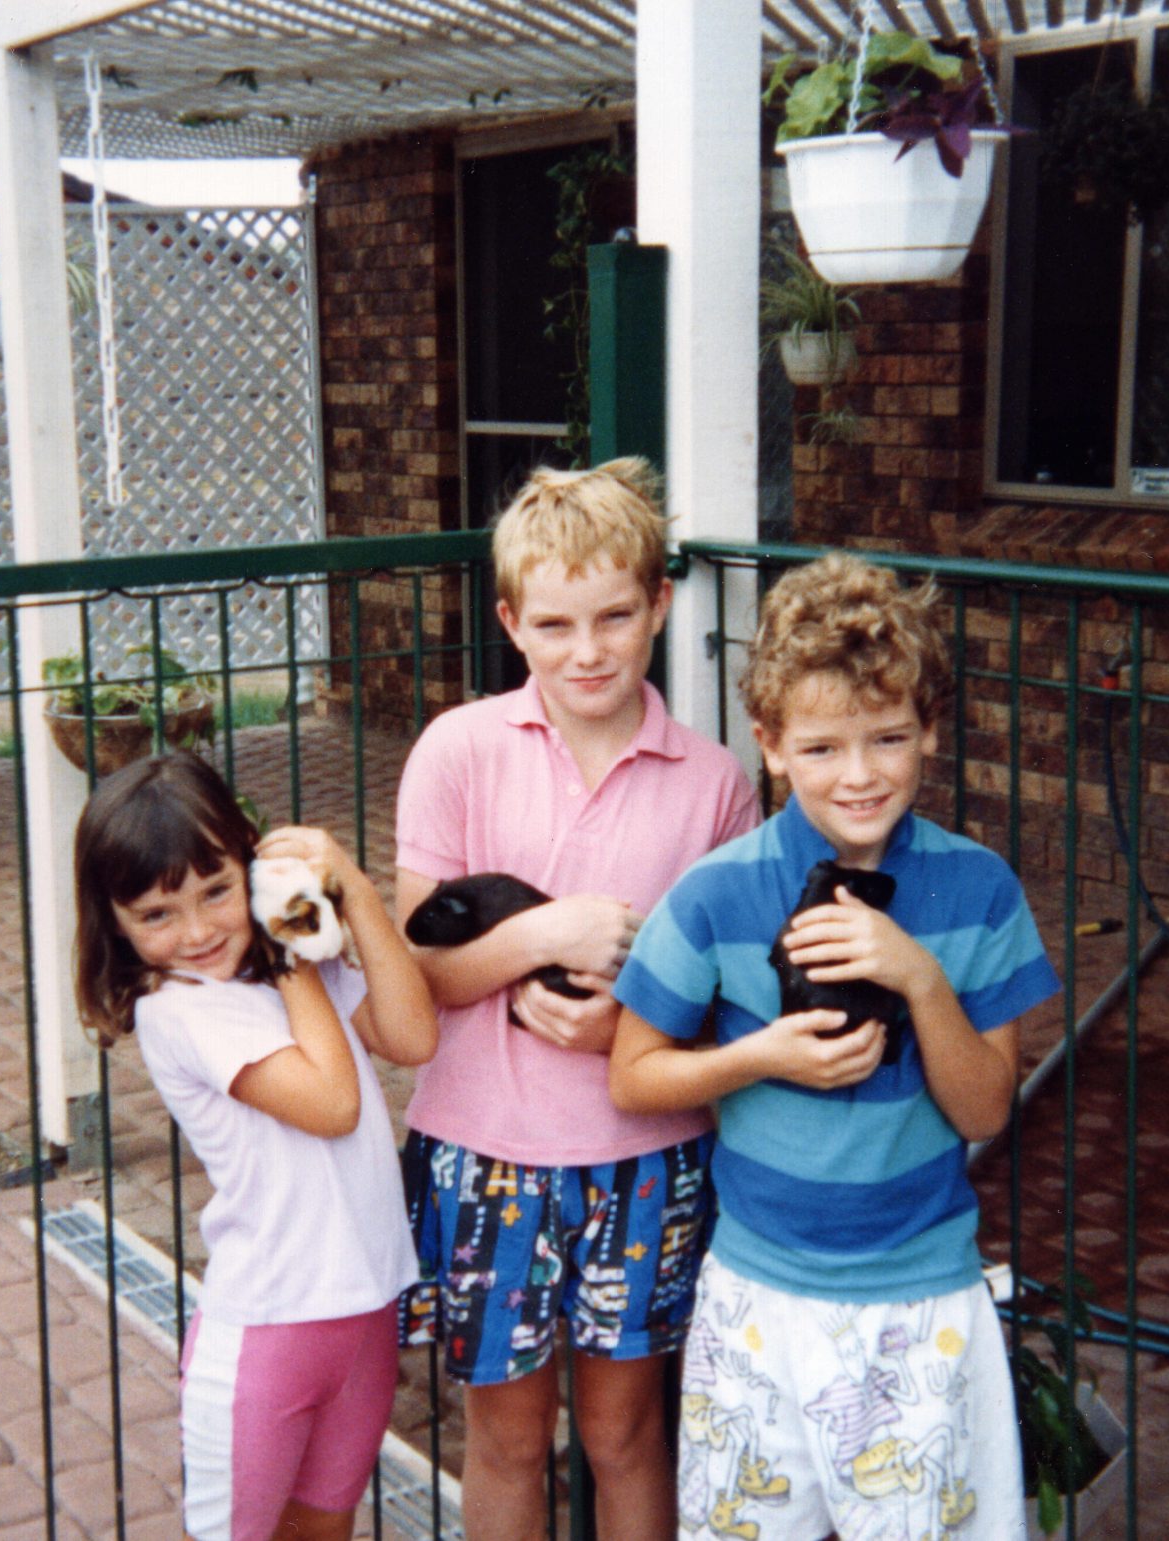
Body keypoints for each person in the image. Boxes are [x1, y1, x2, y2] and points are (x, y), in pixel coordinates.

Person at [609, 553, 1061, 1541]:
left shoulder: (976, 889)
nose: (857, 774)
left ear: (927, 730)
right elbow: (632, 1072)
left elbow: (985, 1107)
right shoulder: (716, 891)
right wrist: (758, 1056)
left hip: (916, 1303)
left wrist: (917, 976)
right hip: (754, 1302)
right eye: (819, 746)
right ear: (767, 745)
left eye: (887, 737)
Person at [393, 459, 760, 1541]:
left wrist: (629, 1020)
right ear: (510, 622)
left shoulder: (712, 781)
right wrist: (540, 943)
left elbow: (729, 998)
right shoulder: (457, 749)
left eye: (612, 616)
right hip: (481, 1148)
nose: (585, 649)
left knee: (627, 1435)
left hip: (644, 1154)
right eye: (553, 623)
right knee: (506, 1439)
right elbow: (416, 965)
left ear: (657, 603)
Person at [74, 751, 439, 1541]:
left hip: (366, 1310)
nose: (200, 929)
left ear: (251, 865)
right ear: (116, 922)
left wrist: (353, 889)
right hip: (269, 1334)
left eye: (217, 890)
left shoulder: (291, 964)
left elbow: (411, 1034)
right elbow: (335, 1102)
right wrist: (286, 947)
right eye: (157, 913)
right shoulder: (181, 1007)